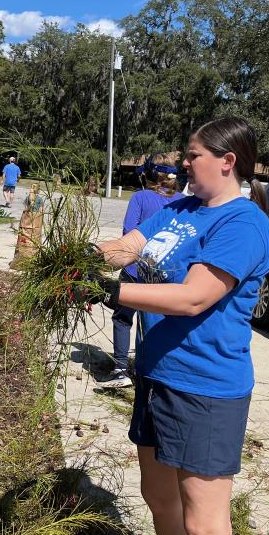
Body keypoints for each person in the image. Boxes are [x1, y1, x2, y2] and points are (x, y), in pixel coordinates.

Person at [77, 117, 269, 535]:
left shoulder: (244, 223)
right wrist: (77, 258)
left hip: (204, 388)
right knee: (160, 500)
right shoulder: (179, 209)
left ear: (227, 162)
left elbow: (193, 297)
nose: (183, 163)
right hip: (156, 375)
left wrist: (110, 293)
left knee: (205, 527)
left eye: (193, 155)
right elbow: (127, 247)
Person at [97, 154, 185, 389]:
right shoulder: (184, 201)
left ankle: (120, 370)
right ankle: (153, 369)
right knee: (156, 322)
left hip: (135, 270)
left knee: (123, 318)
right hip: (166, 275)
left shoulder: (141, 197)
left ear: (148, 175)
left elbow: (129, 232)